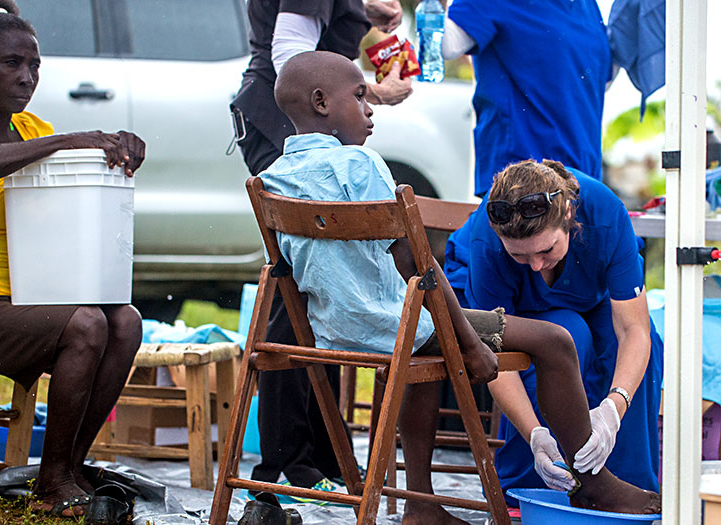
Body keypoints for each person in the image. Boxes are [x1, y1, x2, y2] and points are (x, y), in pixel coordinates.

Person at [261, 49, 660, 523]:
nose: (370, 108)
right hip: (395, 321)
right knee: (553, 340)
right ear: (322, 102)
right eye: (360, 95)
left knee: (424, 351)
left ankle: (421, 506)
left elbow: (290, 270)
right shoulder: (359, 166)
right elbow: (419, 268)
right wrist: (468, 343)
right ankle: (592, 483)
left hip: (331, 328)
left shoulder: (273, 178)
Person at [230, 0, 413, 514]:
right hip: (287, 125)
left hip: (305, 117)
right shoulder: (328, 120)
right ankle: (289, 464)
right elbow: (291, 56)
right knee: (299, 290)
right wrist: (373, 90)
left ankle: (324, 460)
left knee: (317, 287)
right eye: (356, 98)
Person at [0, 0, 145, 517]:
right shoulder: (30, 135)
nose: (27, 78)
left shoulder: (32, 129)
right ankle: (51, 480)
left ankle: (68, 468)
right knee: (87, 324)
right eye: (11, 64)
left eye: (35, 66)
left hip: (31, 296)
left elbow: (80, 174)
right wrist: (68, 140)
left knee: (126, 322)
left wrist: (120, 148)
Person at [445, 159, 663, 506]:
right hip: (521, 312)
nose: (535, 265)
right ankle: (530, 486)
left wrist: (613, 409)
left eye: (547, 250)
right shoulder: (487, 245)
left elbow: (634, 329)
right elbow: (495, 357)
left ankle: (625, 486)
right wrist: (534, 434)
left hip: (590, 294)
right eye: (519, 255)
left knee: (646, 346)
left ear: (569, 217)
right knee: (565, 336)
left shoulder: (605, 214)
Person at [440, 0, 612, 196]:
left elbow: (598, 79)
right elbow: (446, 44)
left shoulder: (588, 6)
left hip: (582, 179)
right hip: (523, 180)